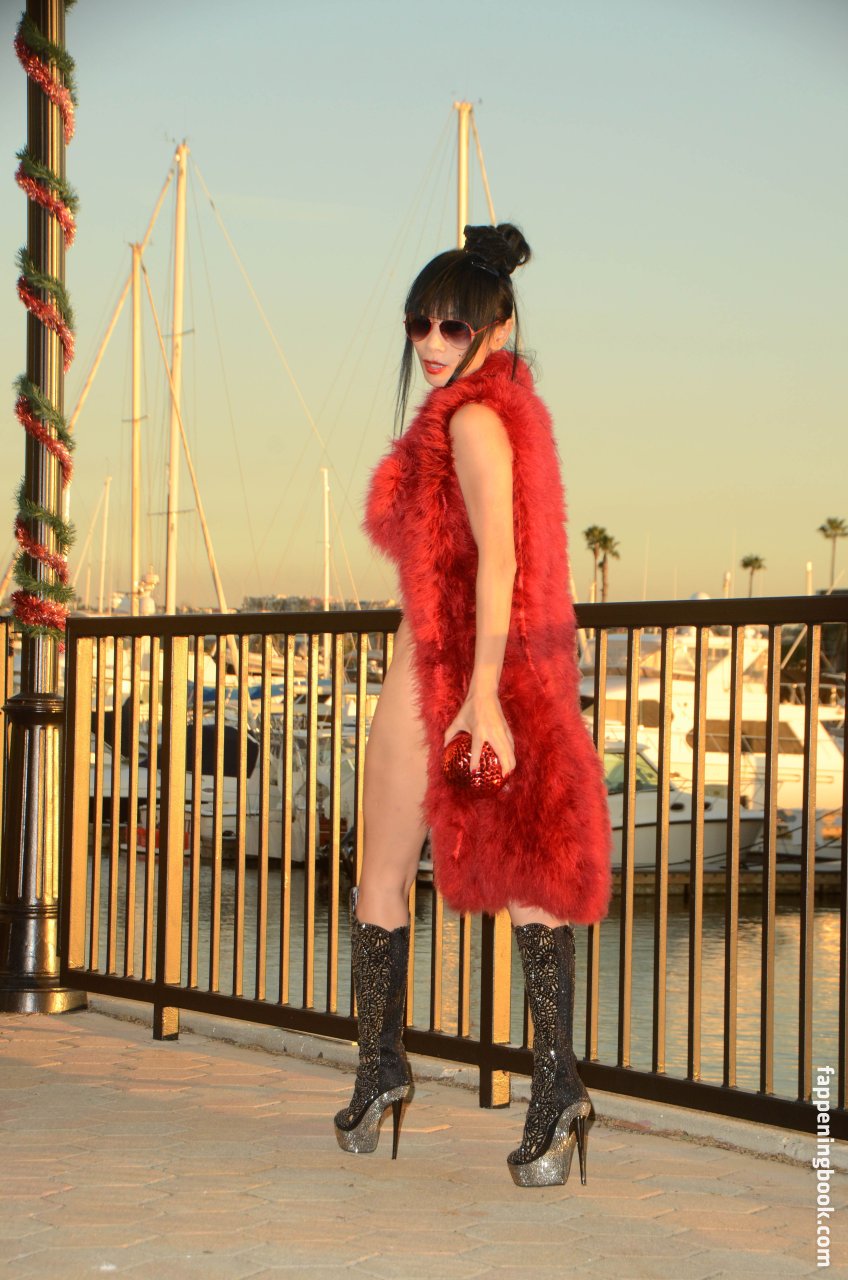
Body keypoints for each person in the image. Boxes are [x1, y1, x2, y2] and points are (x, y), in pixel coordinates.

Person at [333, 223, 612, 1187]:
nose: (430, 340)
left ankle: (388, 1074)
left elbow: (500, 559)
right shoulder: (501, 414)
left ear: (498, 328)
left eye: (453, 325)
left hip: (453, 672)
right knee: (517, 874)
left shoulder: (469, 422)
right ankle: (546, 1087)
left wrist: (480, 696)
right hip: (482, 667)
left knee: (386, 877)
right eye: (419, 321)